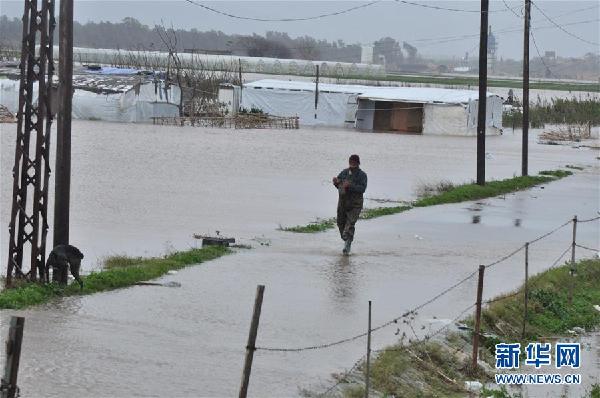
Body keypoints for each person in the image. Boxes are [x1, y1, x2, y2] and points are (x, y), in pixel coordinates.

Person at [332, 154, 367, 255]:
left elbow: (362, 189)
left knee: (350, 224)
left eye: (354, 162)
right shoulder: (344, 172)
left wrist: (350, 185)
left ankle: (347, 246)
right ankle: (347, 240)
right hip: (343, 201)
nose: (351, 163)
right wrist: (336, 182)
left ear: (358, 163)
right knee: (340, 223)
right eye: (350, 161)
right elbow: (339, 185)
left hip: (356, 204)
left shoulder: (362, 175)